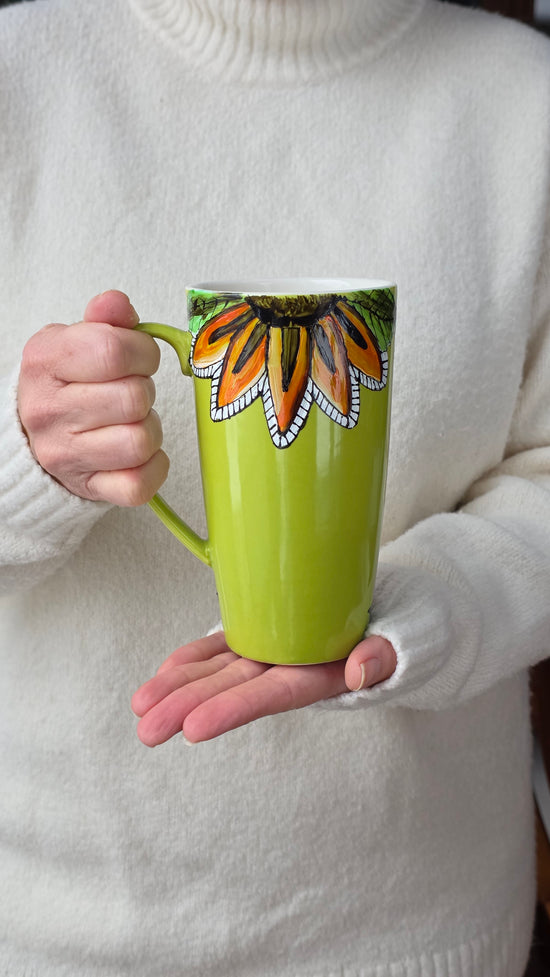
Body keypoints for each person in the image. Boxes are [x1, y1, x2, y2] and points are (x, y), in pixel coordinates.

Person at [1, 0, 549, 974]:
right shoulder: (20, 69)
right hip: (50, 929)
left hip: (418, 931)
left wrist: (427, 609)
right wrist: (27, 464)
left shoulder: (524, 105)